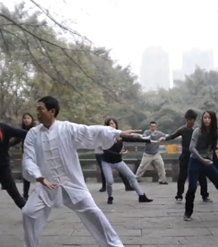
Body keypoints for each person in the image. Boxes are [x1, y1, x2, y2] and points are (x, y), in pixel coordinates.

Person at [22, 96, 140, 247]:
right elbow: (28, 159)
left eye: (40, 109)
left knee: (94, 213)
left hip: (71, 184)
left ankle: (115, 245)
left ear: (52, 111)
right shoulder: (33, 133)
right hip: (46, 185)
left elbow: (90, 131)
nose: (37, 113)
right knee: (28, 213)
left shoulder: (66, 128)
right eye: (37, 109)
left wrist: (117, 133)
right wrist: (39, 177)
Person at [160, 109, 212, 203]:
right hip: (185, 156)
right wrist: (165, 138)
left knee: (201, 176)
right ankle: (179, 195)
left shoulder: (197, 130)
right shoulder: (182, 130)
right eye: (189, 120)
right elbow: (173, 135)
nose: (191, 122)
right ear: (186, 119)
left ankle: (205, 195)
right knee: (182, 176)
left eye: (192, 120)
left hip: (196, 155)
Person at [99, 118, 153, 204]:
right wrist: (120, 154)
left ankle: (141, 196)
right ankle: (110, 196)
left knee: (132, 177)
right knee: (109, 181)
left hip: (118, 162)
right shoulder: (104, 137)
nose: (111, 125)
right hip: (107, 162)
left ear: (116, 125)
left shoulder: (120, 135)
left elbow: (132, 138)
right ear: (106, 126)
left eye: (113, 123)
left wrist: (147, 140)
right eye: (109, 124)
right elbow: (106, 151)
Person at [10, 113, 37, 200]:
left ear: (32, 119)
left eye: (28, 118)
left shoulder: (36, 130)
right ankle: (25, 194)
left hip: (37, 155)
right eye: (24, 118)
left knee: (39, 173)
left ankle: (40, 193)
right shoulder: (21, 131)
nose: (26, 120)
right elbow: (14, 141)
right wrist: (5, 145)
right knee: (26, 174)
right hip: (26, 155)